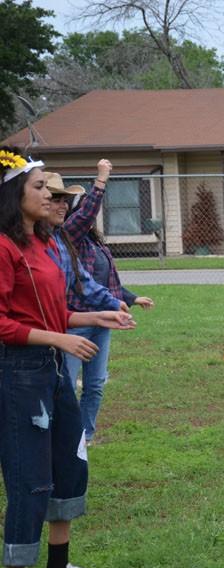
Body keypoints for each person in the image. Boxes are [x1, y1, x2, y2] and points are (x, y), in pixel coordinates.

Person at [0, 147, 135, 568]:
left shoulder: (45, 243)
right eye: (39, 187)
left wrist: (95, 318)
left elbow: (55, 311)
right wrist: (57, 338)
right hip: (19, 376)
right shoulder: (3, 247)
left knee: (70, 465)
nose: (51, 197)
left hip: (53, 371)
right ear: (13, 193)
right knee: (29, 476)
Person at [44, 168, 154, 445]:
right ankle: (64, 438)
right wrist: (101, 180)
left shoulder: (88, 243)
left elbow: (94, 280)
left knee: (95, 384)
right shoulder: (70, 234)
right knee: (65, 384)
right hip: (72, 323)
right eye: (54, 199)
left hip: (99, 321)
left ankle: (85, 436)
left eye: (64, 200)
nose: (61, 205)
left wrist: (123, 300)